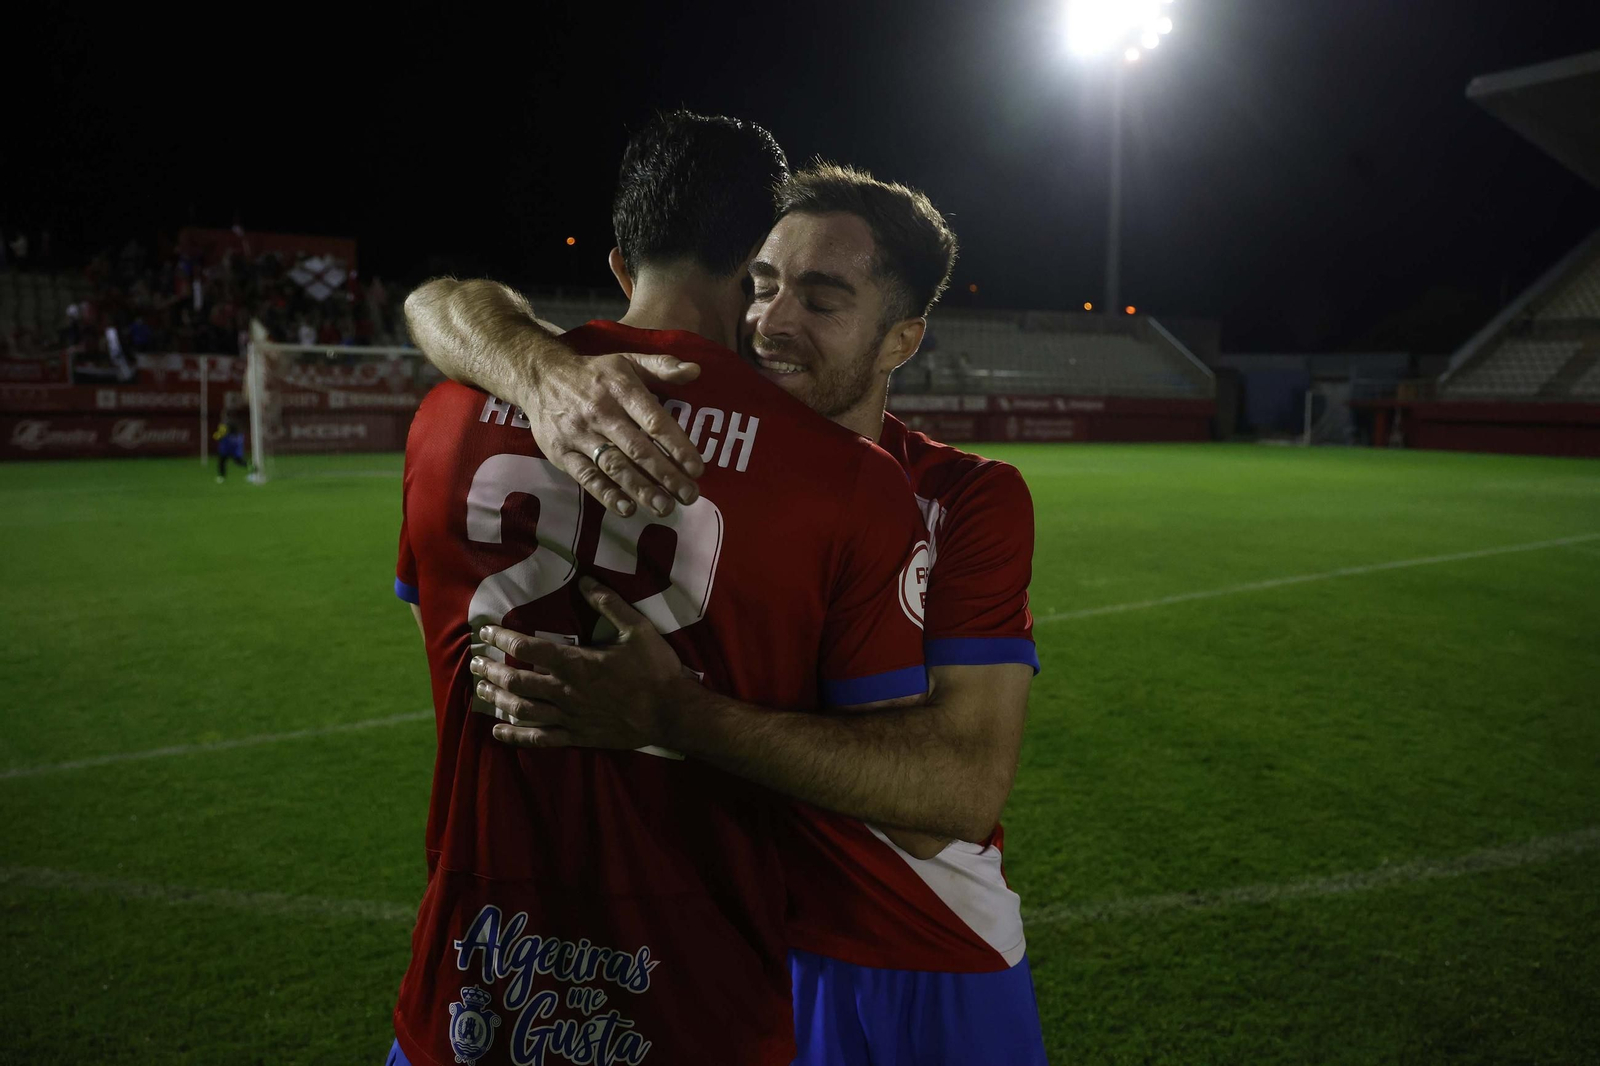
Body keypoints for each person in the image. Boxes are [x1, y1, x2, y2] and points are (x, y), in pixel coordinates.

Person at [409, 163, 1044, 1065]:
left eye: (820, 300)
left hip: (909, 943)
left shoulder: (964, 497)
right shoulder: (662, 435)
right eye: (762, 283)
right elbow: (441, 303)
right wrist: (540, 370)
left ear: (901, 340)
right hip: (716, 948)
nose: (771, 321)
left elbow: (957, 794)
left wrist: (678, 715)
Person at [213, 409, 248, 482]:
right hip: (235, 445)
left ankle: (221, 477)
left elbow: (221, 434)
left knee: (223, 461)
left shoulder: (225, 423)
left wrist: (216, 436)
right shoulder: (235, 422)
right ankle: (252, 468)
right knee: (237, 461)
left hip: (228, 446)